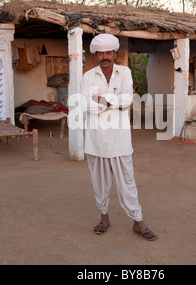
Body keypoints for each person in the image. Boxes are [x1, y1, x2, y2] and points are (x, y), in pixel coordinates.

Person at [81, 33, 156, 241]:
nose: (105, 56)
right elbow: (85, 104)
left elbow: (127, 100)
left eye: (108, 52)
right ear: (96, 55)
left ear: (114, 54)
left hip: (120, 141)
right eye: (101, 53)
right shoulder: (88, 77)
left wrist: (103, 100)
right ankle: (104, 218)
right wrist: (113, 101)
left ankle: (138, 221)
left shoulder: (124, 73)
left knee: (127, 182)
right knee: (99, 184)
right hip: (96, 142)